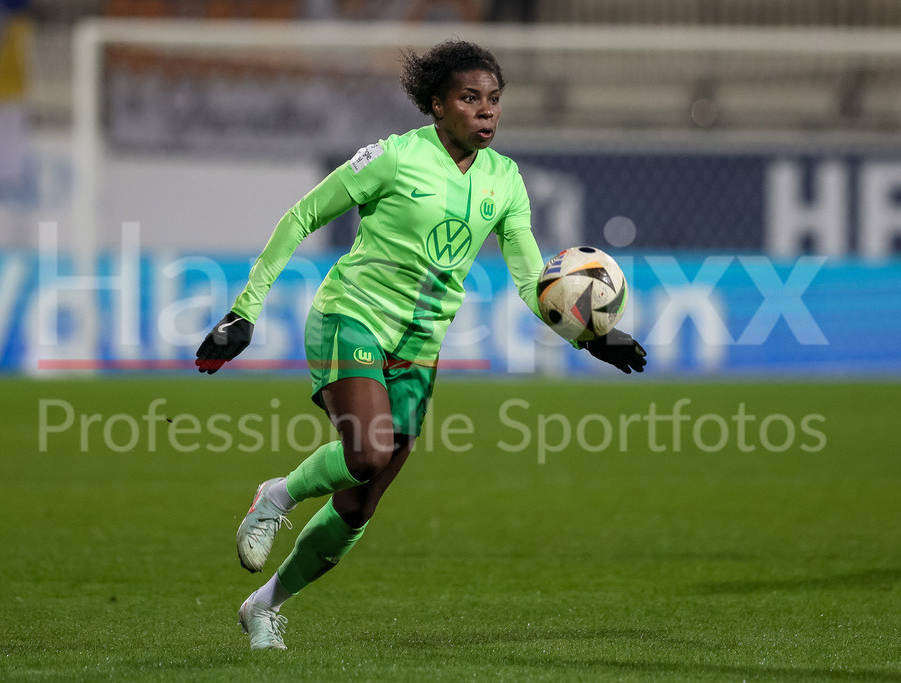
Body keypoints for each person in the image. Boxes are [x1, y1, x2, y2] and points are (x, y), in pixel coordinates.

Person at [195, 39, 647, 651]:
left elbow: (527, 278)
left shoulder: (505, 180)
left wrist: (588, 337)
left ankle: (263, 607)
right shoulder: (393, 158)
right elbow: (302, 216)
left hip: (420, 347)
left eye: (494, 100)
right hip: (350, 317)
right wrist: (244, 311)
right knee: (368, 450)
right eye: (470, 98)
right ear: (437, 105)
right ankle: (275, 496)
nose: (486, 111)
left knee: (359, 505)